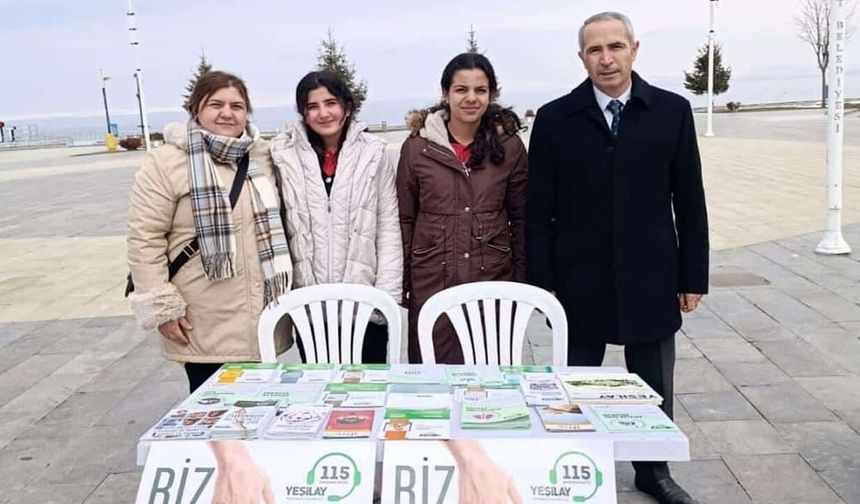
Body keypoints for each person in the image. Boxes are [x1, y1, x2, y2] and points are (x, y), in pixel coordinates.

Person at [526, 12, 708, 504]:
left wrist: (693, 276)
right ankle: (574, 465)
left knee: (653, 383)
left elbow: (689, 199)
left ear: (634, 49)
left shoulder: (671, 111)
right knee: (575, 384)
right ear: (582, 57)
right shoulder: (555, 118)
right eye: (594, 50)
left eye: (615, 47)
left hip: (651, 273)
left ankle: (653, 470)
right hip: (577, 277)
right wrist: (542, 281)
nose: (606, 59)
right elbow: (538, 207)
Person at [127, 70, 293, 393]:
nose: (227, 113)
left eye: (237, 105)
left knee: (261, 413)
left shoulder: (260, 156)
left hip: (262, 313)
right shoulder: (167, 162)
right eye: (216, 104)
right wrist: (162, 307)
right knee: (214, 419)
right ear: (196, 110)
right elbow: (144, 238)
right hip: (204, 316)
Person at [397, 53, 528, 364]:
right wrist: (404, 282)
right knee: (432, 375)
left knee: (490, 371)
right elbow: (405, 218)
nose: (471, 98)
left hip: (492, 277)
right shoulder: (417, 148)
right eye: (461, 89)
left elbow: (521, 218)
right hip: (432, 281)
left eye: (480, 90)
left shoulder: (509, 147)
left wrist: (522, 282)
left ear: (492, 95)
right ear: (445, 93)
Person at [270, 71, 402, 363]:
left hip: (364, 305)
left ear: (347, 107)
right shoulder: (283, 156)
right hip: (311, 305)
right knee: (318, 392)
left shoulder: (374, 154)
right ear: (303, 113)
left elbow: (388, 228)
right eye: (312, 106)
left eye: (331, 103)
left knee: (368, 392)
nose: (323, 113)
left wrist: (385, 299)